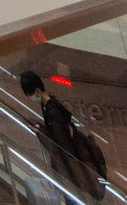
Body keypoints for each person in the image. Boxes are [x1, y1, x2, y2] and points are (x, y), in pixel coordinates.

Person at [21, 71, 106, 203]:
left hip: (73, 173)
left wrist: (40, 132)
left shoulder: (52, 111)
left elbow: (61, 146)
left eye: (30, 94)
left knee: (74, 199)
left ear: (37, 91)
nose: (30, 98)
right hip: (72, 170)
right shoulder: (51, 105)